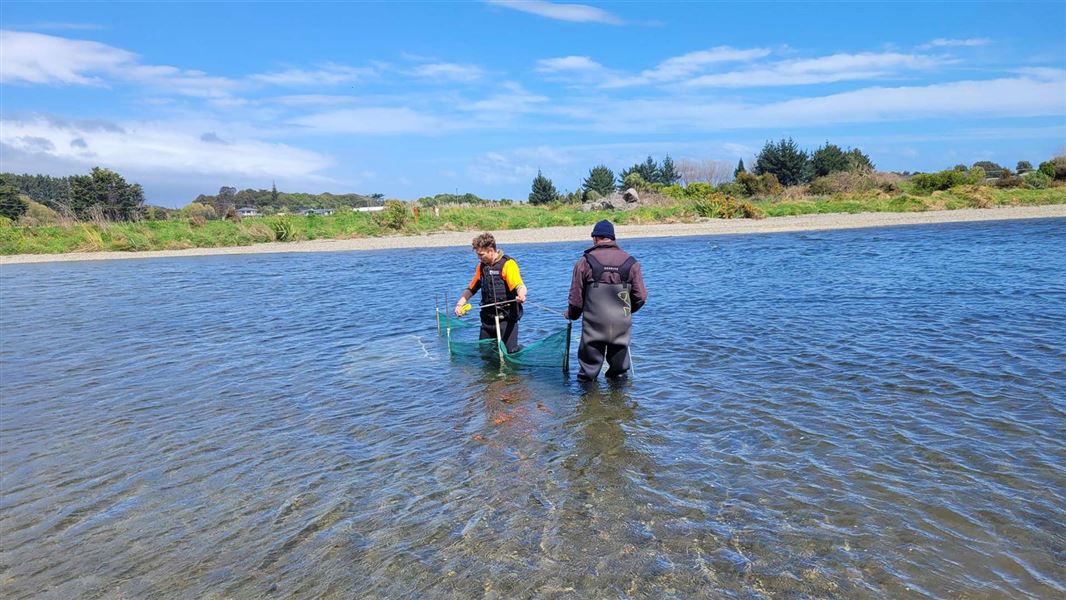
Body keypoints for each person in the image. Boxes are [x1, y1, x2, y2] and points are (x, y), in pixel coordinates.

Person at [564, 220, 647, 381]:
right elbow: (641, 296)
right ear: (612, 238)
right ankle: (619, 404)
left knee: (588, 374)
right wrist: (627, 310)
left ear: (595, 238)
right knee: (619, 373)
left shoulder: (584, 262)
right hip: (621, 326)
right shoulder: (631, 263)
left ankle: (589, 403)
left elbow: (575, 300)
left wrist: (571, 315)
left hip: (593, 327)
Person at [454, 232, 528, 353]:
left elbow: (520, 285)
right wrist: (460, 304)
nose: (479, 257)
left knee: (510, 353)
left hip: (506, 319)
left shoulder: (508, 264)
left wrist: (521, 295)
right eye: (477, 254)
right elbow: (471, 289)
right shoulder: (481, 267)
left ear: (490, 250)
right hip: (487, 320)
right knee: (485, 354)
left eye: (481, 254)